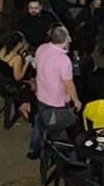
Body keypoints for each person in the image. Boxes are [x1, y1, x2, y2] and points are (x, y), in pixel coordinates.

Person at [28, 24, 80, 159]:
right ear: (65, 40)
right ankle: (62, 155)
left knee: (40, 123)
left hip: (42, 95)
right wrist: (76, 100)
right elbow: (68, 83)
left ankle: (34, 150)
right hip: (57, 101)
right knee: (60, 130)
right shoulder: (63, 60)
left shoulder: (42, 48)